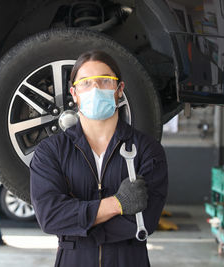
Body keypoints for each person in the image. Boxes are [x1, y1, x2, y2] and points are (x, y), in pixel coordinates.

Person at [30, 50, 168, 267]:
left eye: (105, 81)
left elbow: (145, 221)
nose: (94, 89)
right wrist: (118, 204)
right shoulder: (51, 151)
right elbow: (50, 217)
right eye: (85, 83)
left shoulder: (147, 150)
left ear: (119, 89)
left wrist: (79, 229)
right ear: (74, 94)